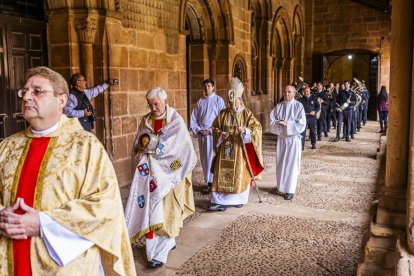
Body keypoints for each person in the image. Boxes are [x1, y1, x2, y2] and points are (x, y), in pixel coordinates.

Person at [0, 66, 136, 275]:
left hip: (64, 266)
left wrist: (43, 224)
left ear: (61, 101)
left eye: (37, 91)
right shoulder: (7, 147)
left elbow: (106, 205)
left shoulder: (86, 146)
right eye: (24, 91)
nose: (27, 96)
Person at [125, 87, 196, 268]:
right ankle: (154, 251)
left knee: (167, 213)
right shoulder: (146, 121)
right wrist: (142, 148)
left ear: (165, 101)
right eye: (150, 105)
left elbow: (182, 150)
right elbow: (138, 143)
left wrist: (159, 154)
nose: (153, 108)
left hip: (170, 176)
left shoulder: (175, 122)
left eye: (156, 104)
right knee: (152, 211)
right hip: (150, 177)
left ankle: (163, 248)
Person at [206, 77, 263, 211]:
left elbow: (257, 129)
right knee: (221, 173)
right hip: (225, 151)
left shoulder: (246, 114)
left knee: (239, 173)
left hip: (239, 151)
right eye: (229, 101)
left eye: (234, 100)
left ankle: (238, 199)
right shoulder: (223, 113)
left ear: (239, 99)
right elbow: (214, 128)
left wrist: (245, 131)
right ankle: (218, 201)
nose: (231, 103)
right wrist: (221, 134)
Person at [270, 85, 306, 200]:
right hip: (281, 139)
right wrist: (278, 123)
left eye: (289, 92)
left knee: (291, 165)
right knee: (281, 163)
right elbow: (272, 120)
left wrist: (288, 124)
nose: (286, 94)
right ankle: (281, 186)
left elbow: (302, 123)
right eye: (285, 92)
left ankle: (290, 190)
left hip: (293, 140)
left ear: (294, 93)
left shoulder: (298, 106)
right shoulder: (279, 105)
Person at [190, 79, 226, 193]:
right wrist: (199, 130)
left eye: (209, 86)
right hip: (203, 135)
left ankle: (215, 181)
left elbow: (222, 118)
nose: (207, 88)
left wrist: (210, 130)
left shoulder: (218, 100)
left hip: (214, 134)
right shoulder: (200, 101)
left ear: (213, 87)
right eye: (205, 86)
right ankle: (208, 182)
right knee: (205, 159)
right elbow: (194, 118)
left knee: (213, 157)